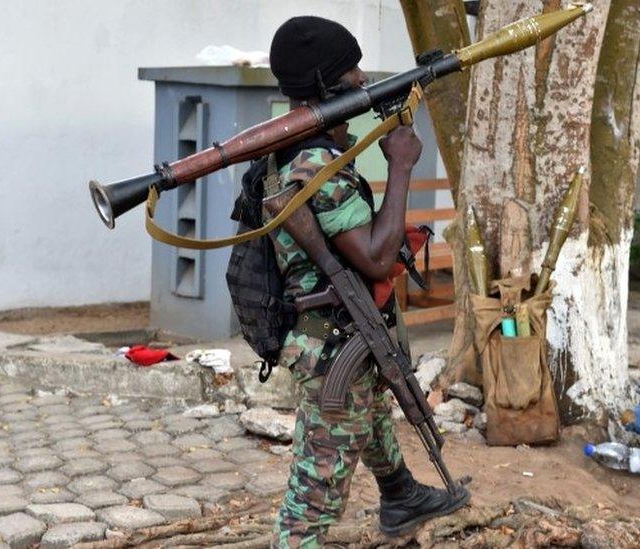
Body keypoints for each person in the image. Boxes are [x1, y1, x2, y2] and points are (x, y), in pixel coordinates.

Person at [265, 15, 470, 548]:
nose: (362, 78)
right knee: (313, 496)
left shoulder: (307, 152)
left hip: (338, 333)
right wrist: (400, 163)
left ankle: (400, 493)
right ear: (327, 85)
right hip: (328, 345)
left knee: (375, 402)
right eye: (351, 70)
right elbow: (377, 259)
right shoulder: (313, 167)